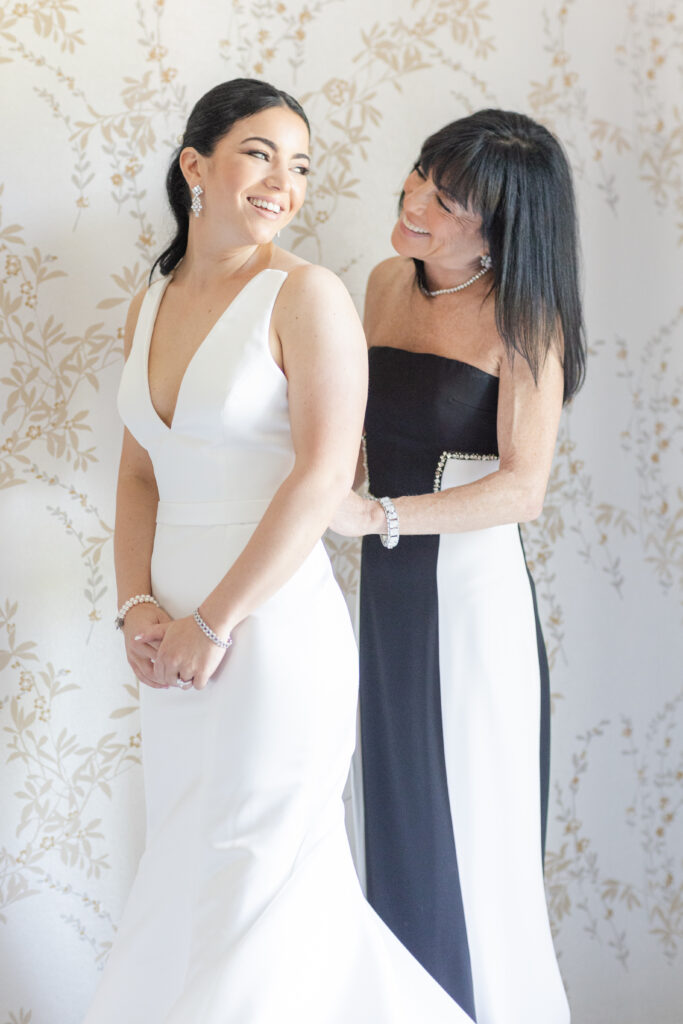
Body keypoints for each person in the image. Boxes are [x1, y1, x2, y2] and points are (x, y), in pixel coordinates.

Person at [83, 79, 474, 1024]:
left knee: (260, 874)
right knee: (183, 866)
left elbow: (319, 478)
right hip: (168, 645)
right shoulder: (149, 302)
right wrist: (137, 609)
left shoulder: (307, 295)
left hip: (266, 631)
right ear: (195, 168)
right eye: (259, 153)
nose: (282, 183)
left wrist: (214, 620)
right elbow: (141, 478)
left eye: (299, 166)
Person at [331, 109, 586, 1024]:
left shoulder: (526, 316)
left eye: (446, 201)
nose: (413, 203)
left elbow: (523, 489)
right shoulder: (379, 286)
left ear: (500, 228)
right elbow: (358, 447)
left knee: (473, 839)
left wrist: (377, 516)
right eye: (417, 177)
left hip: (470, 603)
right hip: (387, 594)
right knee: (392, 822)